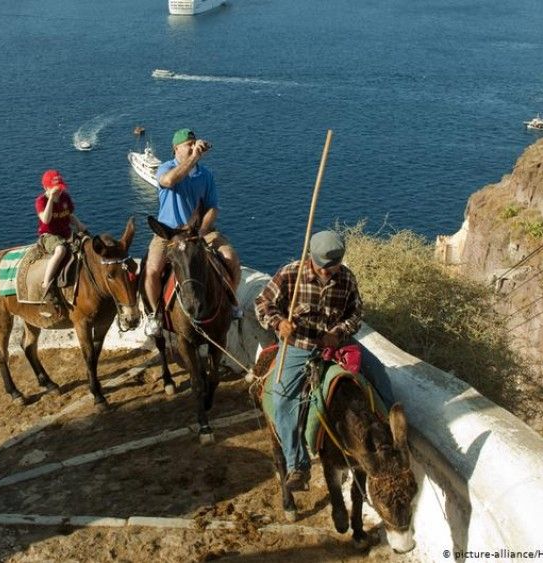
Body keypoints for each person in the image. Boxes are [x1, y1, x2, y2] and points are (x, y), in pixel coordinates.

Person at [253, 230, 392, 492]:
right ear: (310, 259)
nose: (328, 273)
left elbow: (356, 313)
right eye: (322, 268)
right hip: (299, 345)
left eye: (333, 267)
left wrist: (338, 332)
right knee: (282, 399)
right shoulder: (289, 274)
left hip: (337, 344)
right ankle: (297, 465)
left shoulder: (347, 279)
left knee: (380, 374)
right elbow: (262, 303)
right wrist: (279, 322)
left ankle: (392, 436)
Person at [143, 128, 241, 337]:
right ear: (175, 148)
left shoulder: (206, 175)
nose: (192, 147)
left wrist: (202, 230)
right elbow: (169, 181)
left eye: (194, 143)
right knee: (152, 270)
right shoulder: (165, 168)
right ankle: (155, 316)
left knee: (231, 258)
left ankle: (232, 304)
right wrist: (195, 157)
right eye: (188, 144)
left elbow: (213, 207)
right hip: (168, 232)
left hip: (200, 231)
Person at [35, 169, 87, 303]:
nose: (59, 192)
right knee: (60, 250)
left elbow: (69, 215)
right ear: (46, 188)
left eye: (60, 189)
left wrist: (79, 225)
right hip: (49, 235)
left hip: (66, 232)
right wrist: (51, 200)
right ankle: (46, 284)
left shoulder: (65, 198)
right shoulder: (41, 201)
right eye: (55, 190)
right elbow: (45, 220)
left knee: (87, 243)